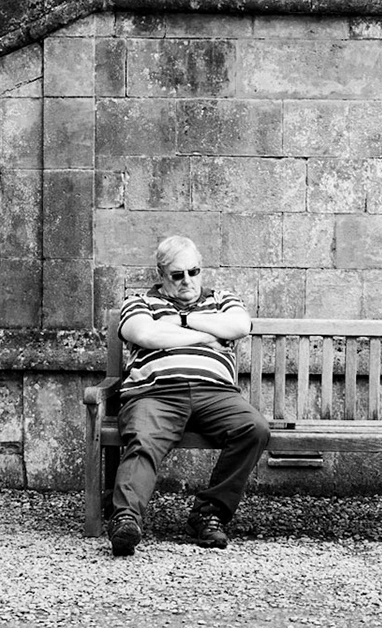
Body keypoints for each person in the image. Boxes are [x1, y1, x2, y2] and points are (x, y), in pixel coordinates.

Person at [105, 235, 270, 556]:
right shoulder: (139, 302)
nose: (187, 282)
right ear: (161, 275)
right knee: (143, 440)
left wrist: (181, 321)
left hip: (215, 392)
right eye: (177, 275)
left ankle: (209, 515)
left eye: (193, 272)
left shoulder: (223, 299)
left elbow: (238, 325)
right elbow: (145, 334)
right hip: (154, 392)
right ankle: (125, 519)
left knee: (254, 429)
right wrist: (208, 338)